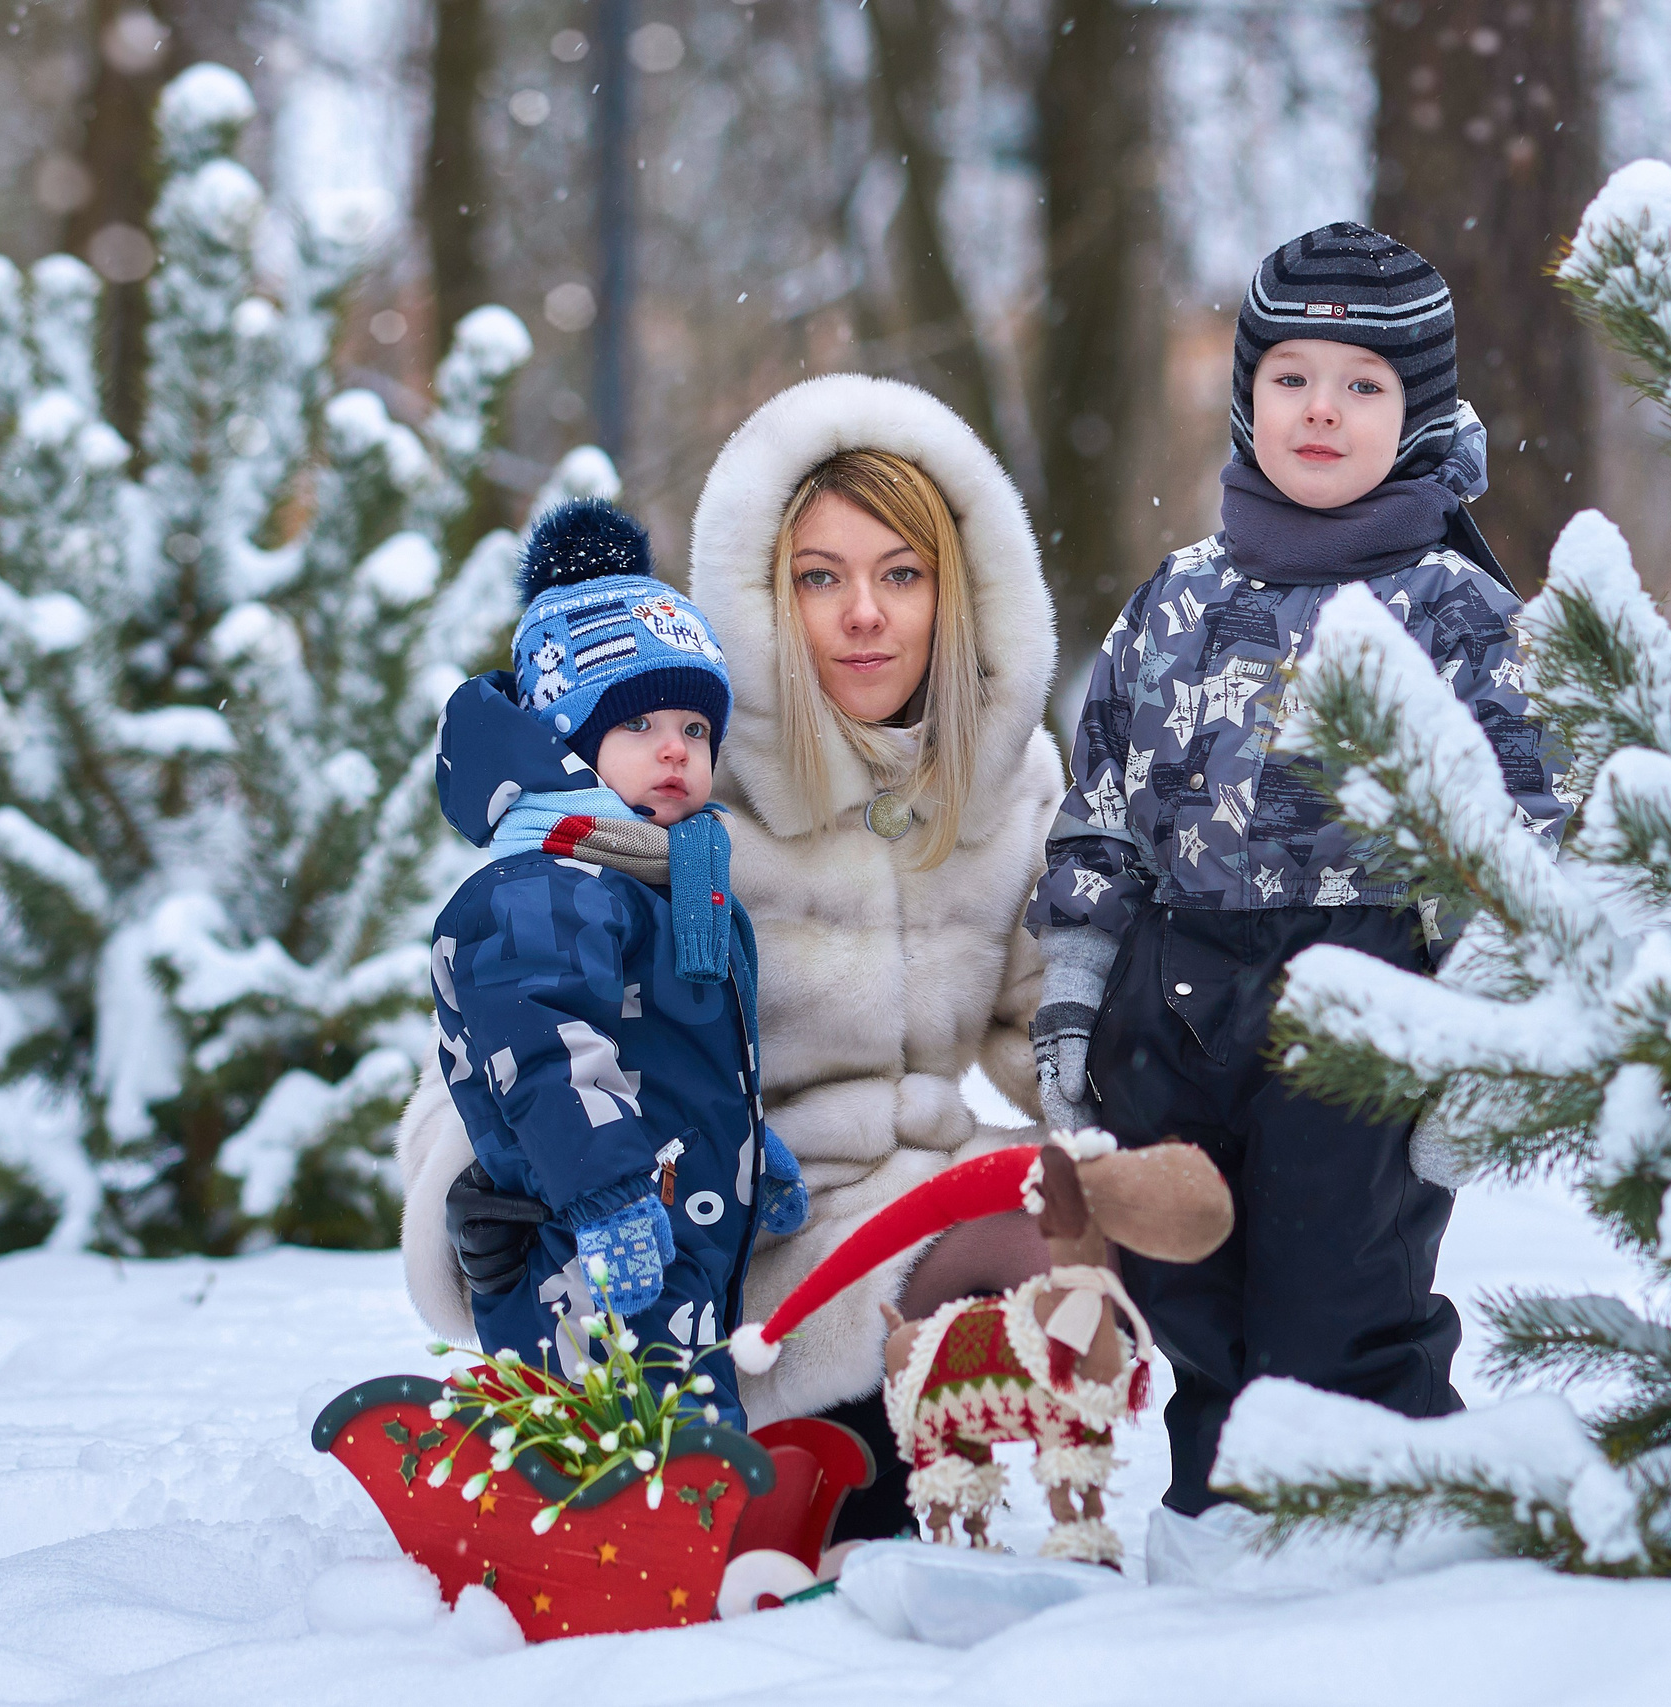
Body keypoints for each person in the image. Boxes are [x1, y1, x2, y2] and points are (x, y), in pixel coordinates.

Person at [397, 376, 1062, 1540]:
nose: (865, 615)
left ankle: (997, 1517)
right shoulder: (678, 781)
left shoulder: (1008, 785)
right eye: (821, 577)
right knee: (790, 1529)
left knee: (1080, 1219)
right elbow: (506, 1009)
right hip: (725, 1254)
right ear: (763, 593)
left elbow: (1053, 1028)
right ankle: (774, 1490)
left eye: (902, 574)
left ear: (958, 592)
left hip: (909, 1209)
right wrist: (490, 1190)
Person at [1024, 223, 1569, 1518]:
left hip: (1365, 997)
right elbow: (1101, 811)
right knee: (1190, 1286)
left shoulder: (1459, 613)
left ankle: (1390, 1517)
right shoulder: (1172, 601)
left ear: (1418, 410)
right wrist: (1078, 990)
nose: (1321, 408)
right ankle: (1221, 1530)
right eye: (1292, 378)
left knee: (1339, 1296)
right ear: (1247, 397)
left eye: (1363, 384)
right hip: (1178, 997)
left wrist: (1481, 1035)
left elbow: (1526, 843)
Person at [423, 498, 807, 1426]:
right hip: (582, 1240)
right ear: (569, 745)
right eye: (639, 724)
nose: (676, 747)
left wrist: (754, 1157)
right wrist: (604, 1196)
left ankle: (696, 1499)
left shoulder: (661, 882)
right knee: (608, 1415)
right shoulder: (544, 887)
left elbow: (681, 1063)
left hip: (671, 1238)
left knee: (681, 1410)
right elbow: (545, 1053)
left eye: (696, 728)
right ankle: (573, 1496)